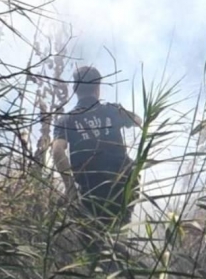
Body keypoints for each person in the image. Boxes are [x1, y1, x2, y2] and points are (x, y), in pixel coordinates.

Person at [50, 66, 143, 253]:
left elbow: (57, 151)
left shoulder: (66, 120)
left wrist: (70, 188)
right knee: (118, 238)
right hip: (122, 185)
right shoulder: (112, 110)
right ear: (98, 87)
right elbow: (138, 121)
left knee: (94, 246)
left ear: (75, 89)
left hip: (91, 191)